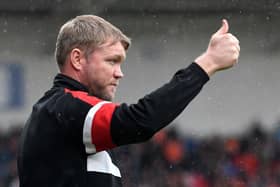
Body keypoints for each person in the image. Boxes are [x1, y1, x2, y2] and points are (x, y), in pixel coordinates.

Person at [17, 15, 240, 187]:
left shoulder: (62, 113)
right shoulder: (65, 107)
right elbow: (139, 121)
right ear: (77, 59)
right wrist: (207, 64)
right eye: (111, 61)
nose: (119, 73)